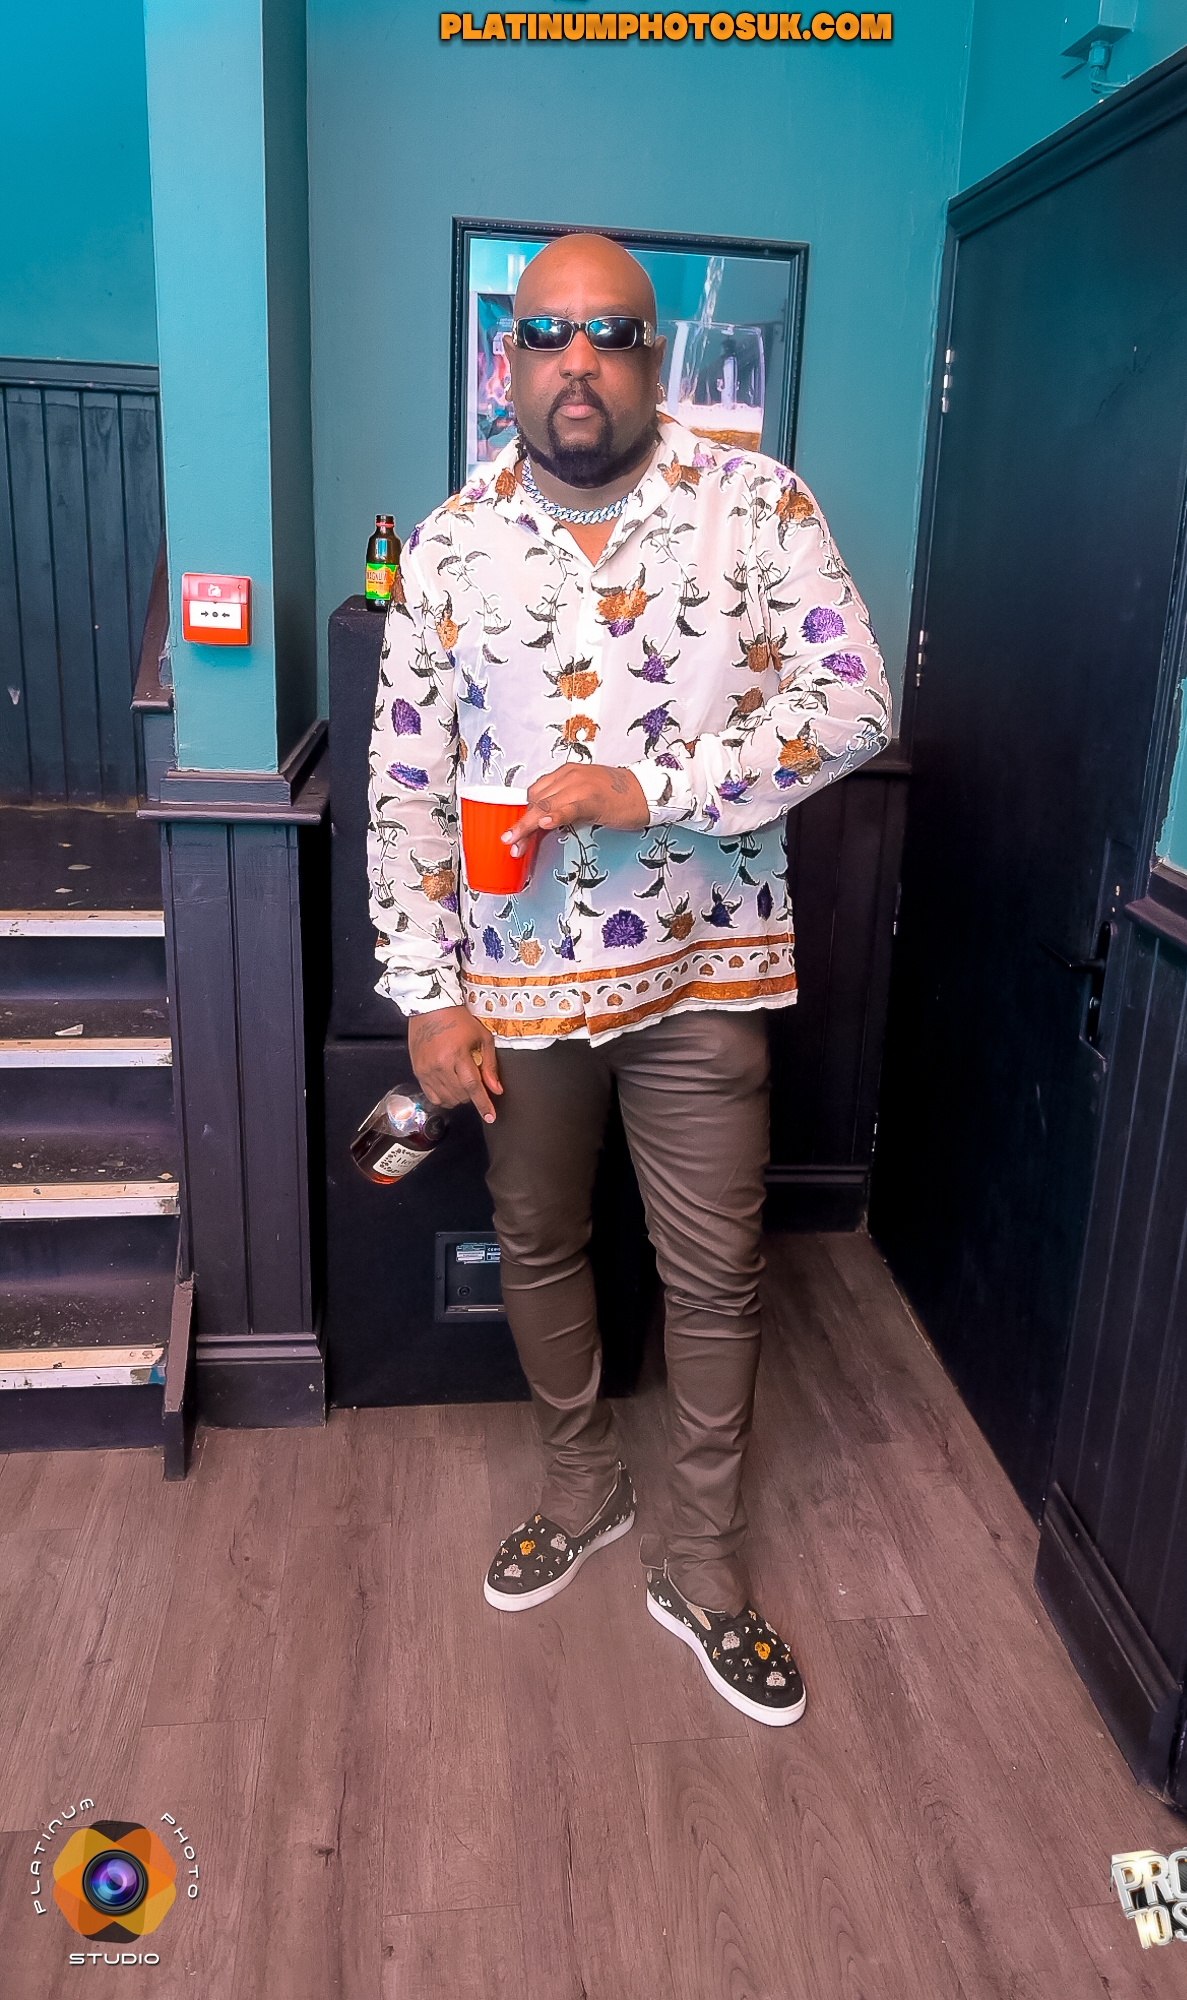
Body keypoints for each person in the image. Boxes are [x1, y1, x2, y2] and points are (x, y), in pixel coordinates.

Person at [368, 233, 890, 1726]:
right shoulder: (453, 545)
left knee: (716, 1274)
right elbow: (407, 788)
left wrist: (650, 784)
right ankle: (581, 1486)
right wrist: (425, 991)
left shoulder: (757, 506)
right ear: (509, 362)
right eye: (548, 334)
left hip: (702, 970)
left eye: (610, 332)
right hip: (517, 988)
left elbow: (857, 704)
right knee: (537, 1240)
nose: (578, 360)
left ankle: (704, 1566)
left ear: (655, 356)